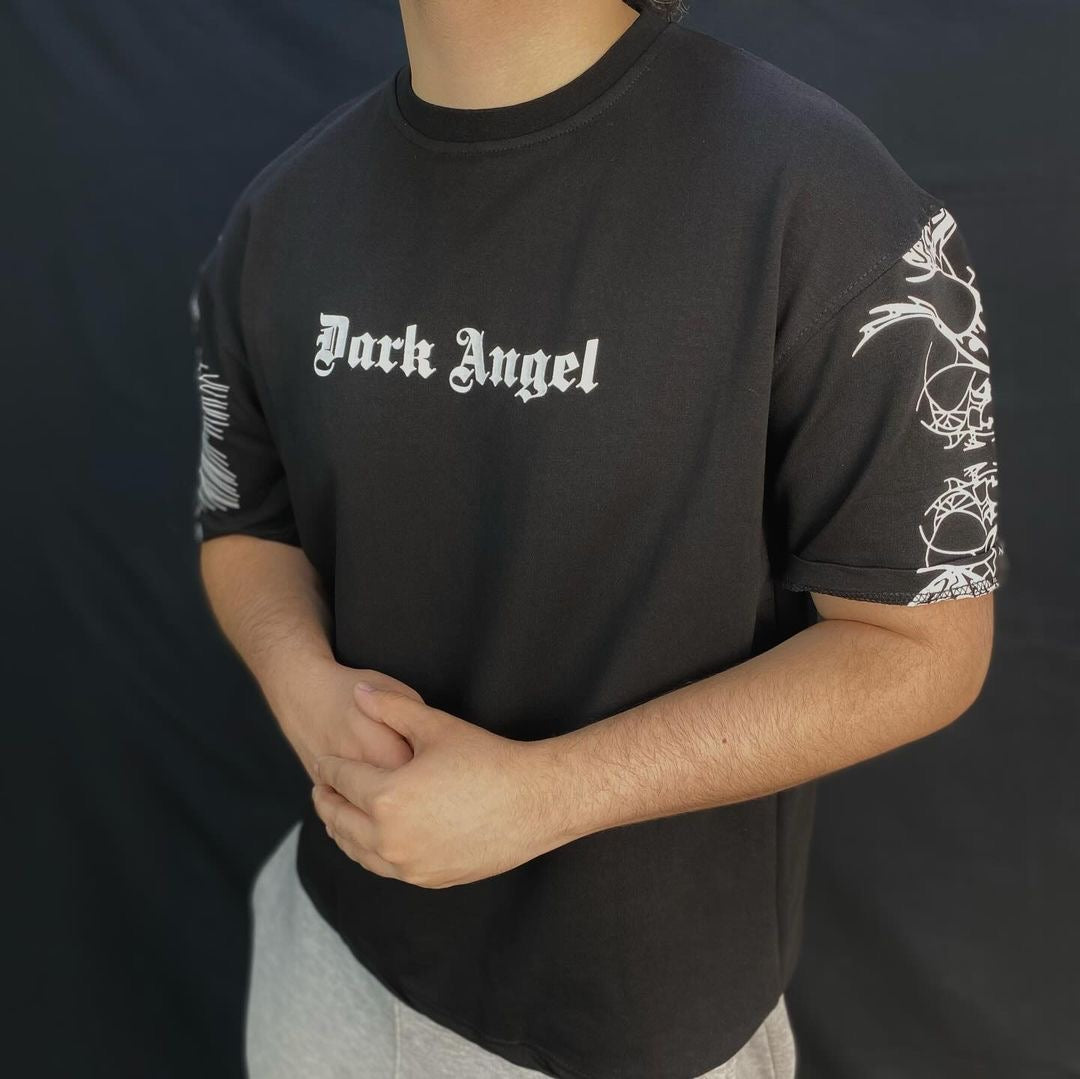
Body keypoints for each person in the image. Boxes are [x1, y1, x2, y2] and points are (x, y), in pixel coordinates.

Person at [191, 1, 1007, 1076]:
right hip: (329, 956)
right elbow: (245, 523)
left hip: (629, 1026)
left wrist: (545, 793)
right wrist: (299, 682)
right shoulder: (284, 211)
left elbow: (925, 645)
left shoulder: (825, 201)